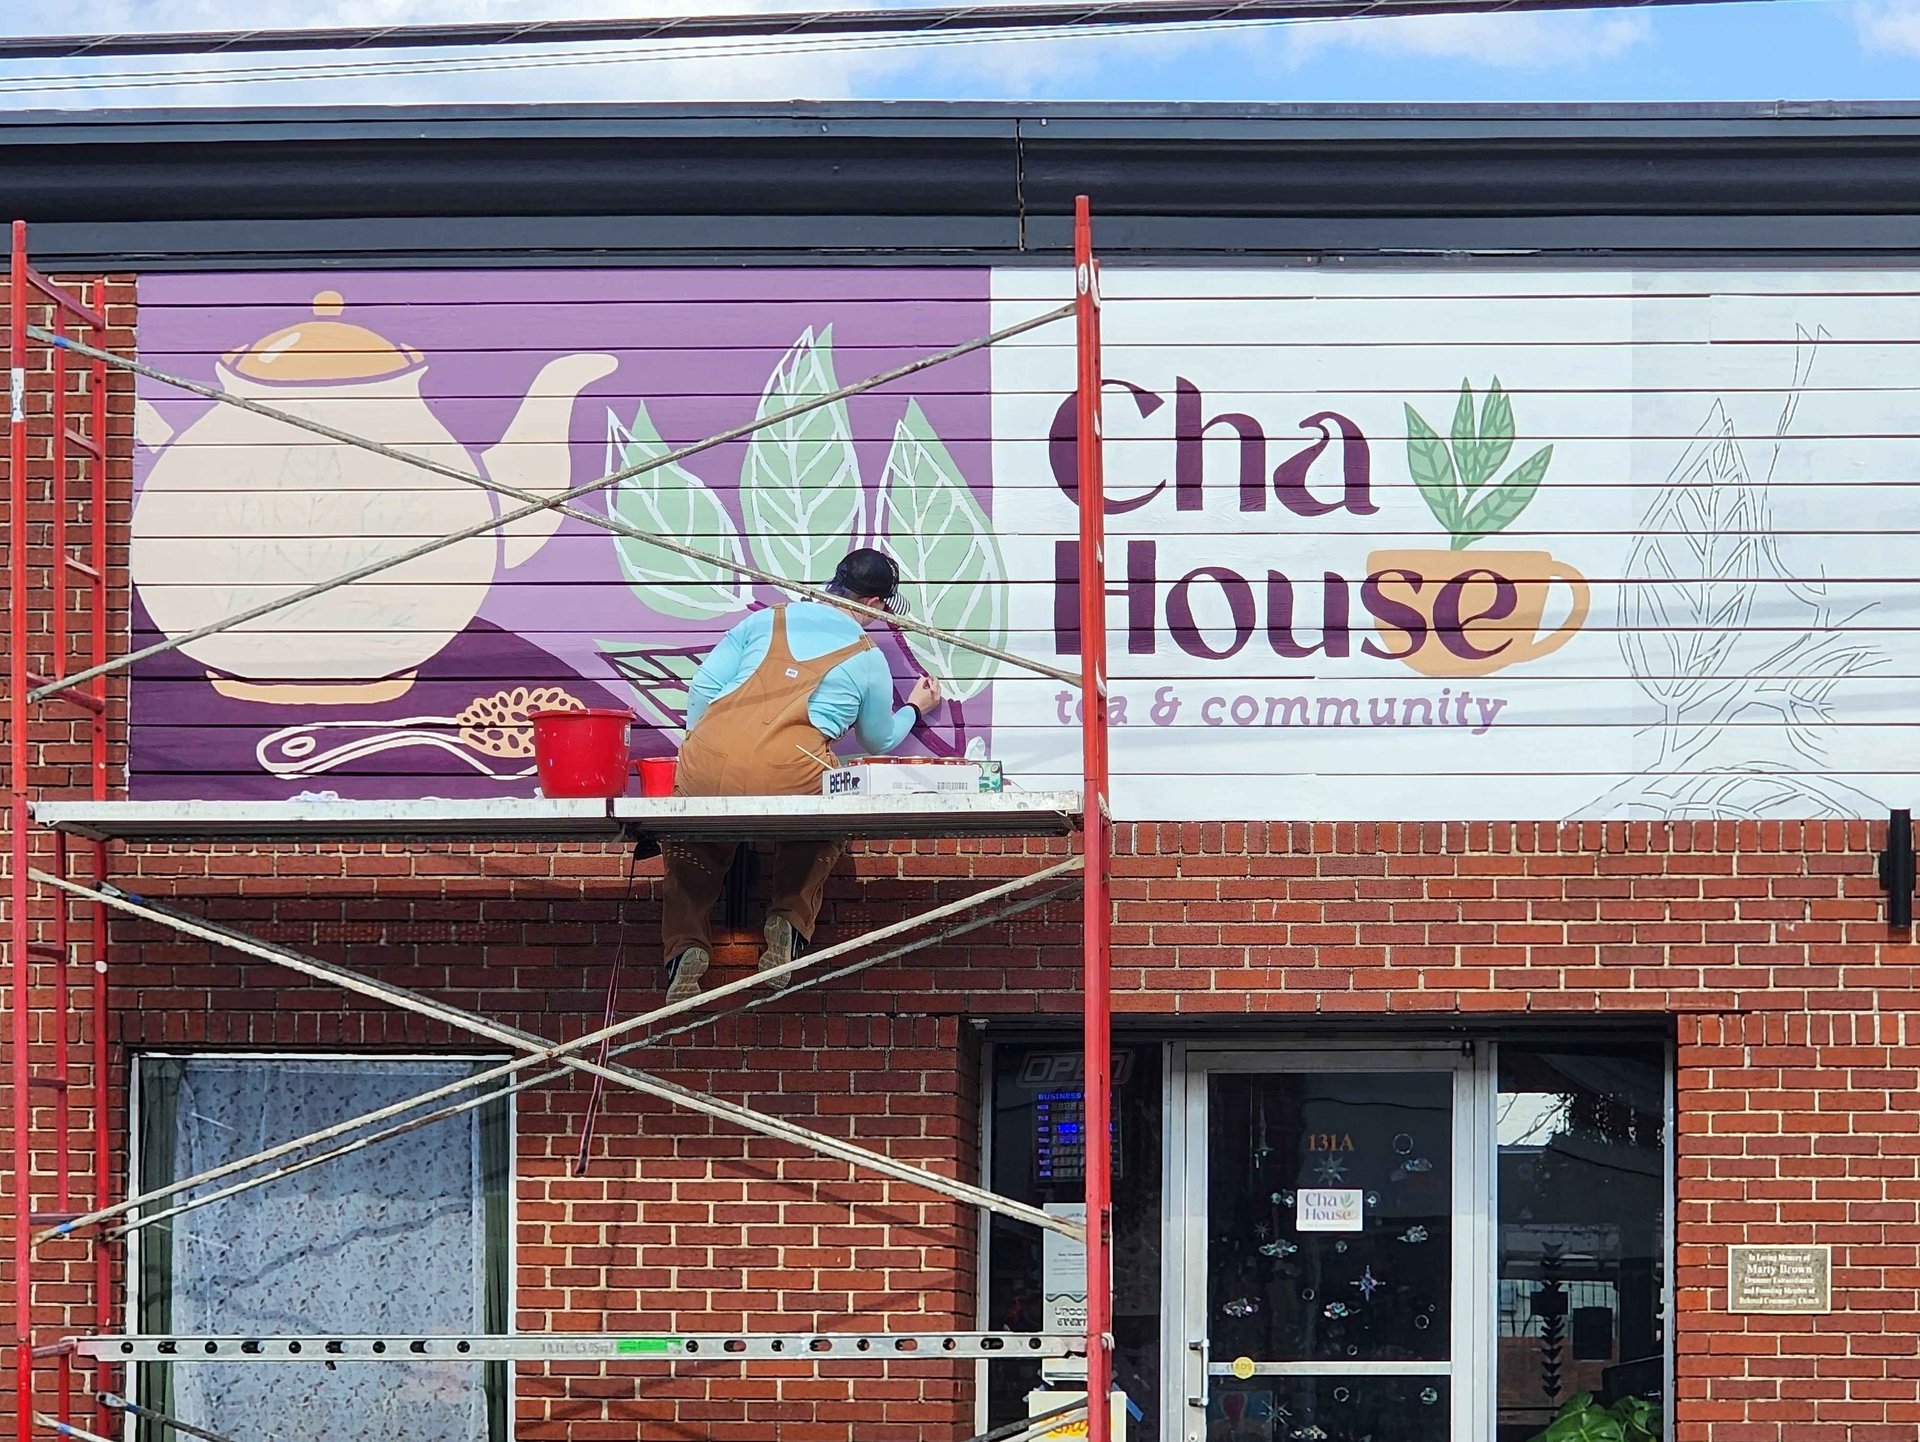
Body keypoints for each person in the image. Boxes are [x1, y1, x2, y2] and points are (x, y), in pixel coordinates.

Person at [660, 548, 943, 1003]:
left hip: (709, 756)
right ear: (873, 605)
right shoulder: (867, 657)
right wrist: (915, 706)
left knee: (692, 839)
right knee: (824, 822)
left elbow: (703, 689)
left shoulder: (763, 621)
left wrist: (702, 749)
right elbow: (878, 740)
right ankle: (787, 922)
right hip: (790, 768)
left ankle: (685, 948)